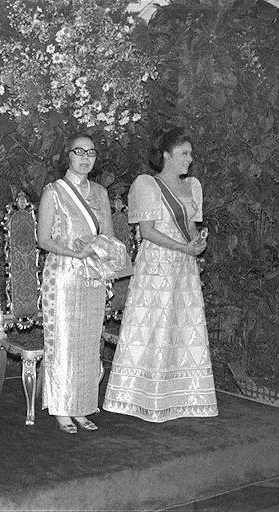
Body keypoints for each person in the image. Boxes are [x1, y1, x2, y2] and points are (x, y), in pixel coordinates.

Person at [102, 126, 218, 422]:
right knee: (154, 325)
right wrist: (184, 247)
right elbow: (147, 232)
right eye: (183, 154)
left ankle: (182, 397)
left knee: (181, 324)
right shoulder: (146, 184)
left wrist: (197, 242)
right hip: (157, 265)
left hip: (183, 267)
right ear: (166, 155)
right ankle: (141, 396)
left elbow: (191, 227)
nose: (189, 159)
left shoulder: (193, 186)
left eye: (190, 154)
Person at [37, 133, 129, 434]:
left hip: (92, 275)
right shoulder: (54, 191)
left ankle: (84, 406)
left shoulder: (101, 193)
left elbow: (110, 237)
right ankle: (63, 407)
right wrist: (74, 250)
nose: (85, 157)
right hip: (63, 273)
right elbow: (44, 239)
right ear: (69, 156)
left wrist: (97, 248)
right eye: (79, 151)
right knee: (64, 341)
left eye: (91, 152)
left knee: (89, 343)